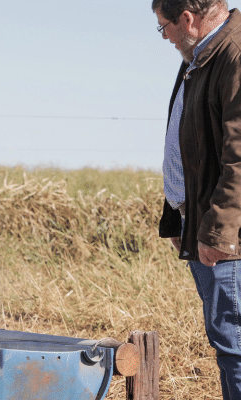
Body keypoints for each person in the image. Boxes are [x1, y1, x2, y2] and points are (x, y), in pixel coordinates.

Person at [154, 0, 241, 398]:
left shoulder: (233, 55)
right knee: (227, 341)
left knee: (236, 344)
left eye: (164, 28)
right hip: (204, 224)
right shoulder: (202, 56)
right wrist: (179, 216)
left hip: (228, 236)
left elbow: (239, 157)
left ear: (186, 19)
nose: (166, 38)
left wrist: (219, 233)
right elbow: (192, 145)